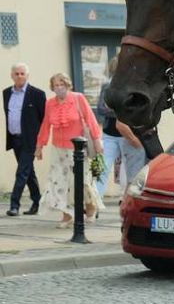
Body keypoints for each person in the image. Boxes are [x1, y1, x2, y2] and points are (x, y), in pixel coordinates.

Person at [34, 72, 104, 228]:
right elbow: (45, 125)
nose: (59, 88)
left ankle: (90, 208)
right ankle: (67, 215)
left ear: (67, 85)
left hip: (77, 149)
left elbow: (91, 119)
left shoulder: (78, 98)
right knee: (60, 183)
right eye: (56, 85)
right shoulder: (50, 103)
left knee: (82, 182)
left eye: (61, 85)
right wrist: (39, 146)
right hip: (58, 150)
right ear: (52, 87)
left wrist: (97, 140)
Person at [95, 56, 147, 199]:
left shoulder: (132, 87)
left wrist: (114, 109)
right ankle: (95, 200)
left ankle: (127, 199)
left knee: (130, 170)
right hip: (109, 134)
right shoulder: (107, 86)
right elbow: (100, 109)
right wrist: (120, 111)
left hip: (127, 135)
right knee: (102, 168)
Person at [4, 63, 44, 216]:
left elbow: (43, 119)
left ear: (27, 75)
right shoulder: (6, 93)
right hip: (15, 139)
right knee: (28, 172)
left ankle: (14, 205)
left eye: (22, 73)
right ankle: (37, 201)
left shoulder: (37, 94)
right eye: (16, 73)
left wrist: (40, 143)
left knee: (21, 172)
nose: (19, 76)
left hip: (30, 140)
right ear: (12, 75)